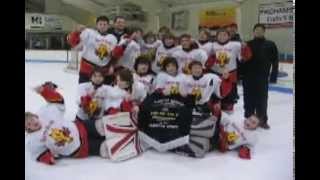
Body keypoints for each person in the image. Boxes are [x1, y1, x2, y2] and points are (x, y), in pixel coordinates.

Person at [25, 82, 108, 165]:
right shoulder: (33, 141)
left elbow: (58, 102)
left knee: (102, 126)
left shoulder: (45, 113)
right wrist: (48, 158)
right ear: (28, 129)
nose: (32, 123)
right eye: (28, 124)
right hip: (79, 148)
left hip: (81, 127)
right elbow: (38, 155)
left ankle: (113, 127)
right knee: (103, 147)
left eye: (32, 119)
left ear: (35, 116)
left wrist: (44, 92)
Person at [67, 16, 128, 85]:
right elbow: (73, 43)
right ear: (96, 25)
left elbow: (114, 55)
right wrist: (76, 32)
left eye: (105, 24)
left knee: (101, 94)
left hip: (103, 72)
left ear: (108, 26)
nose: (102, 26)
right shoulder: (88, 32)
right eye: (100, 24)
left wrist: (112, 66)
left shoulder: (113, 38)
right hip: (86, 70)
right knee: (84, 93)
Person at [242, 23, 279, 129]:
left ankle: (262, 120)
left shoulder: (270, 44)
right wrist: (240, 75)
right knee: (248, 99)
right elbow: (242, 60)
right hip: (248, 77)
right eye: (256, 30)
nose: (258, 31)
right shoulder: (247, 44)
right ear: (253, 32)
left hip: (262, 77)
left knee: (262, 99)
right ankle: (249, 118)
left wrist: (273, 76)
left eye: (260, 30)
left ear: (264, 32)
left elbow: (275, 60)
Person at [206, 28, 251, 113]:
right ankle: (214, 117)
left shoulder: (236, 45)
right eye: (220, 34)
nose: (222, 36)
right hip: (215, 74)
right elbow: (204, 58)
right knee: (214, 98)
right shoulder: (212, 45)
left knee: (229, 99)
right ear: (216, 36)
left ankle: (227, 119)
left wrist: (245, 48)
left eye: (224, 34)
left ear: (229, 36)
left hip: (230, 75)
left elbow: (244, 58)